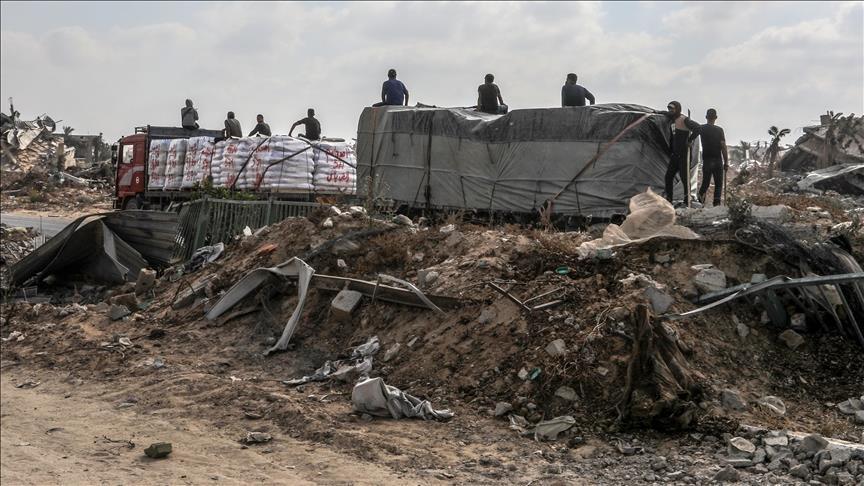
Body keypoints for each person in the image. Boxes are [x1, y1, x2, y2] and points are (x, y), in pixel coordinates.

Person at [663, 100, 701, 205]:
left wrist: (690, 140)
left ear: (678, 109)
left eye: (672, 109)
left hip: (684, 155)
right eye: (669, 109)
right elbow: (666, 114)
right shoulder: (672, 120)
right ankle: (669, 199)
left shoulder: (684, 120)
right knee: (668, 176)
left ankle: (687, 199)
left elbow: (698, 128)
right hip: (675, 154)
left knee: (685, 178)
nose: (670, 111)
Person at [697, 108, 729, 207]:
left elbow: (693, 133)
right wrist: (726, 162)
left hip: (707, 160)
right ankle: (716, 205)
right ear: (716, 118)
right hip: (718, 160)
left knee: (705, 184)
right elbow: (723, 146)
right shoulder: (719, 130)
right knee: (718, 185)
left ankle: (700, 204)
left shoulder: (701, 128)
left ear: (706, 117)